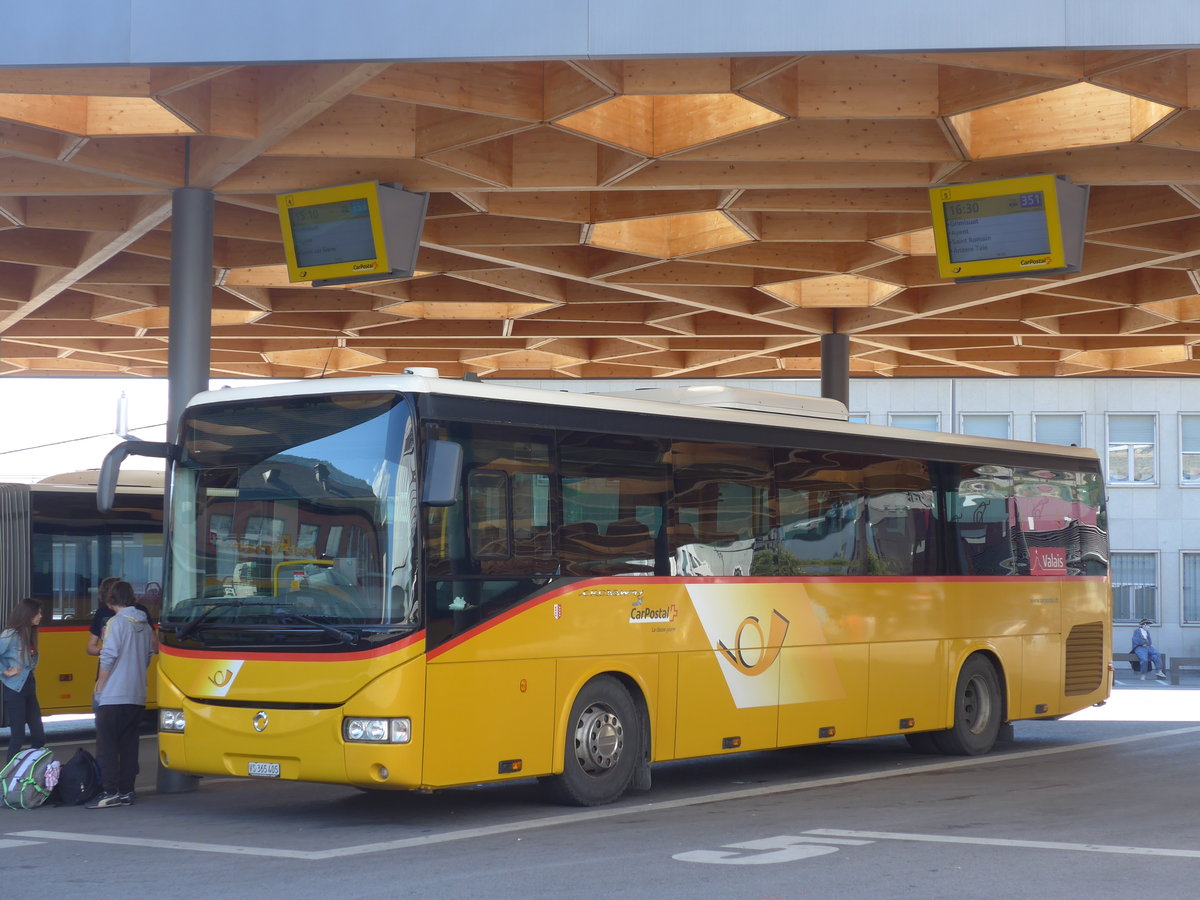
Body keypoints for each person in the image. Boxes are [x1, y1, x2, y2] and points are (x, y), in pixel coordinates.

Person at [88, 581, 155, 809]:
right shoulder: (144, 624)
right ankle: (127, 791)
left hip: (114, 694)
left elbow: (108, 656)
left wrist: (101, 685)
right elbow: (148, 655)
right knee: (129, 745)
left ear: (111, 600)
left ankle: (109, 791)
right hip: (136, 693)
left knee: (107, 745)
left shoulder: (116, 623)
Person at [0, 598, 46, 762]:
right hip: (15, 690)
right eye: (37, 613)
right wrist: (5, 671)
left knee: (39, 737)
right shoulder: (10, 635)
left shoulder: (29, 634)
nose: (40, 616)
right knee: (18, 737)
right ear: (28, 615)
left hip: (28, 687)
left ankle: (30, 769)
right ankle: (8, 775)